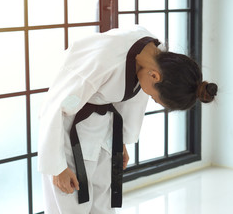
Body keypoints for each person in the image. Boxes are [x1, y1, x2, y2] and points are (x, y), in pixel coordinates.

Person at [38, 25, 217, 214]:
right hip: (67, 135)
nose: (152, 99)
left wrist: (121, 141)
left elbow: (134, 101)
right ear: (155, 76)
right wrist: (57, 167)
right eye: (156, 99)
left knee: (103, 204)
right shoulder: (104, 59)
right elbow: (55, 106)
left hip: (105, 131)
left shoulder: (156, 57)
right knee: (71, 204)